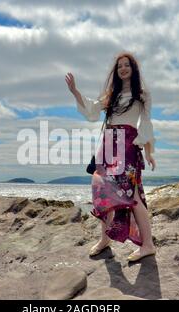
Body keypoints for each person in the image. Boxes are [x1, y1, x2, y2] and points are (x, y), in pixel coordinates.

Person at [65, 51, 157, 262]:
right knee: (102, 192)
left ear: (133, 69)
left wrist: (150, 153)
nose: (123, 68)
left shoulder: (142, 94)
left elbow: (146, 125)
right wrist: (75, 92)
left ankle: (148, 245)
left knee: (131, 195)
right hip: (107, 145)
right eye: (119, 66)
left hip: (127, 144)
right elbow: (92, 110)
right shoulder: (111, 94)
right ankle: (105, 239)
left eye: (127, 65)